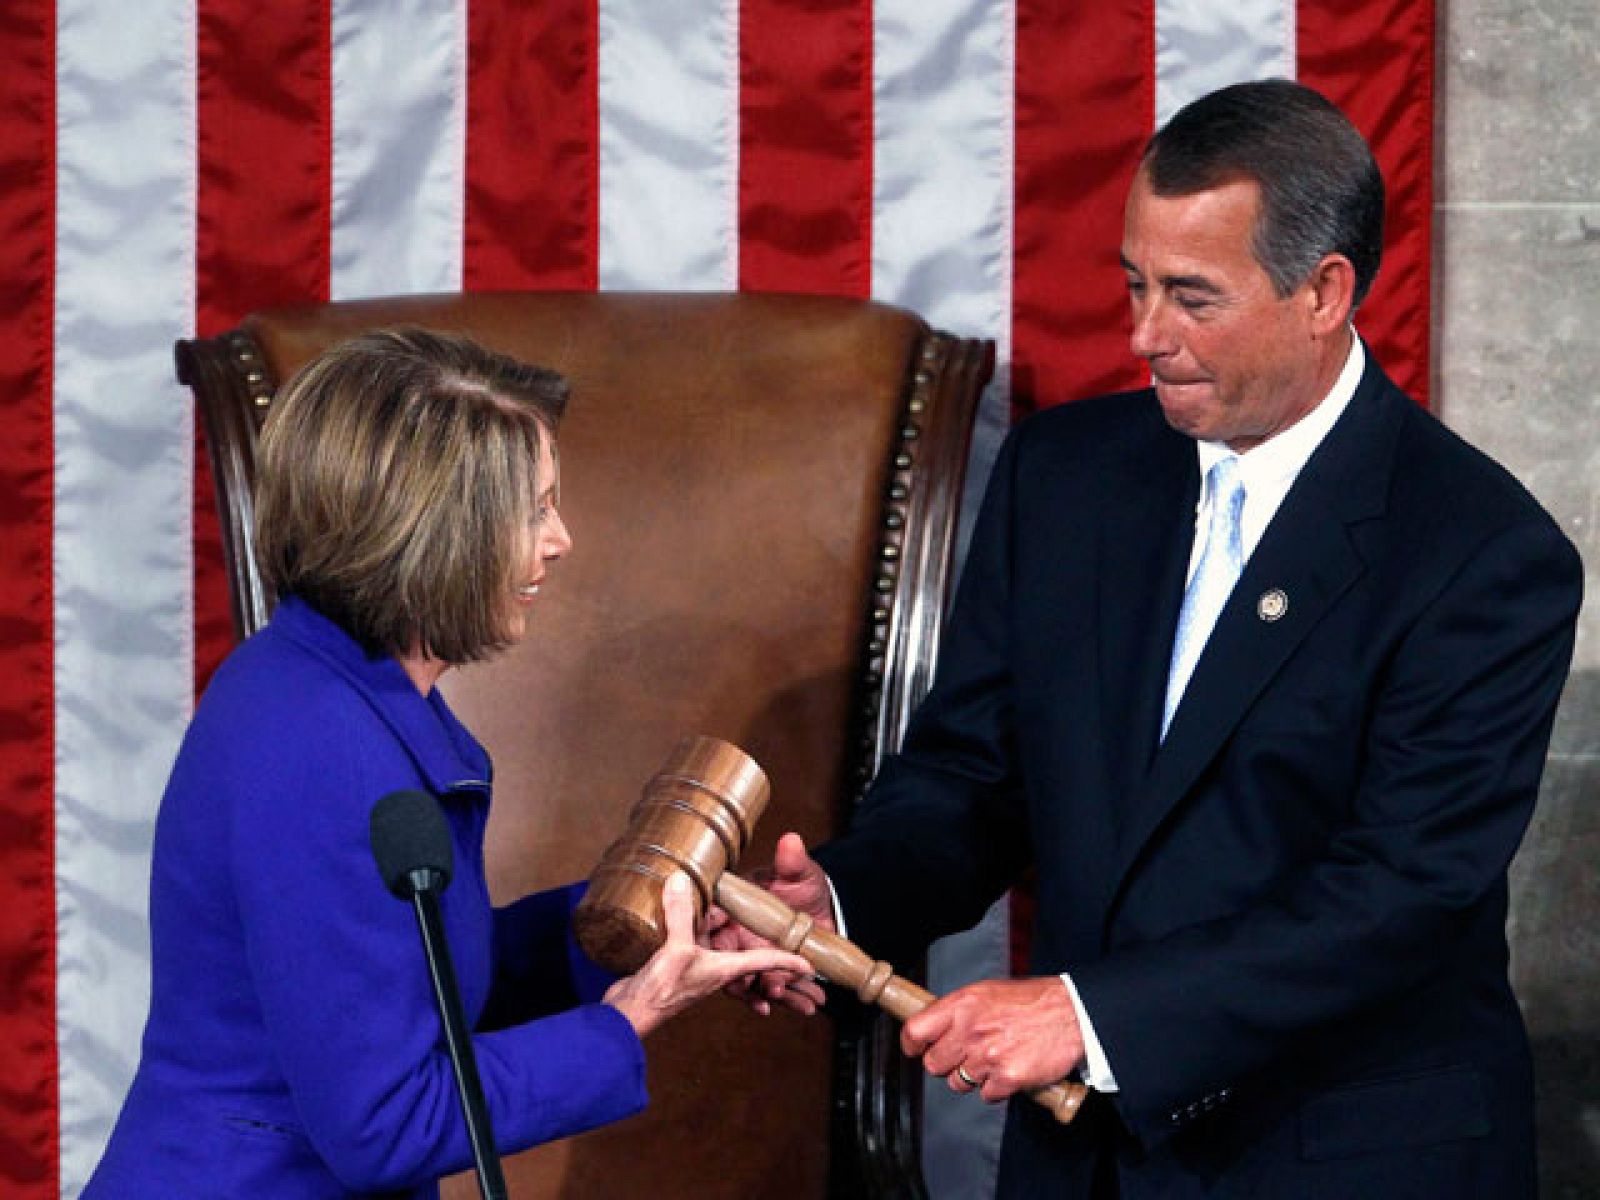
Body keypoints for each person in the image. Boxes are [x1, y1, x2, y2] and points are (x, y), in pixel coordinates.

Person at [719, 80, 1582, 1196]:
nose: (1143, 337)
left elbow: (1396, 895)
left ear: (1324, 292)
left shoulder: (1479, 552)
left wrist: (1086, 1015)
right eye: (1135, 285)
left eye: (1192, 298)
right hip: (1083, 1163)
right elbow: (976, 775)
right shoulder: (1063, 478)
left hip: (1338, 1157)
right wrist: (838, 903)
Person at [86, 329, 808, 1197]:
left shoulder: (338, 692)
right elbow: (383, 1125)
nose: (562, 539)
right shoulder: (318, 745)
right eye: (535, 509)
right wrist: (629, 1020)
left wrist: (648, 915)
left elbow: (414, 982)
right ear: (439, 533)